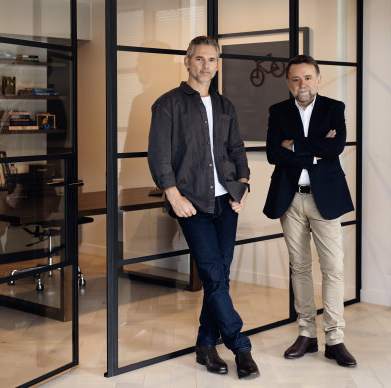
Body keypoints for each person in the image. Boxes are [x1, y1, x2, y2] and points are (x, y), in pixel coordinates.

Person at [147, 36, 259, 379]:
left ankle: (205, 344)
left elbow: (237, 149)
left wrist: (243, 186)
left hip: (227, 201)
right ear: (187, 61)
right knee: (213, 274)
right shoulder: (167, 104)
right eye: (200, 59)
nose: (206, 65)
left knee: (218, 278)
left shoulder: (226, 106)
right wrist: (173, 194)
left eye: (212, 60)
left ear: (217, 64)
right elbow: (159, 155)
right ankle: (240, 346)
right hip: (191, 204)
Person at [263, 55, 357, 367]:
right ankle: (307, 334)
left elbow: (337, 147)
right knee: (299, 268)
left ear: (318, 78)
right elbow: (274, 153)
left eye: (307, 78)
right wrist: (315, 149)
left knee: (333, 268)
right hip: (290, 199)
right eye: (296, 79)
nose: (302, 85)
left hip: (325, 199)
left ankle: (335, 339)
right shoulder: (277, 111)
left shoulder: (334, 108)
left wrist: (296, 146)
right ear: (288, 82)